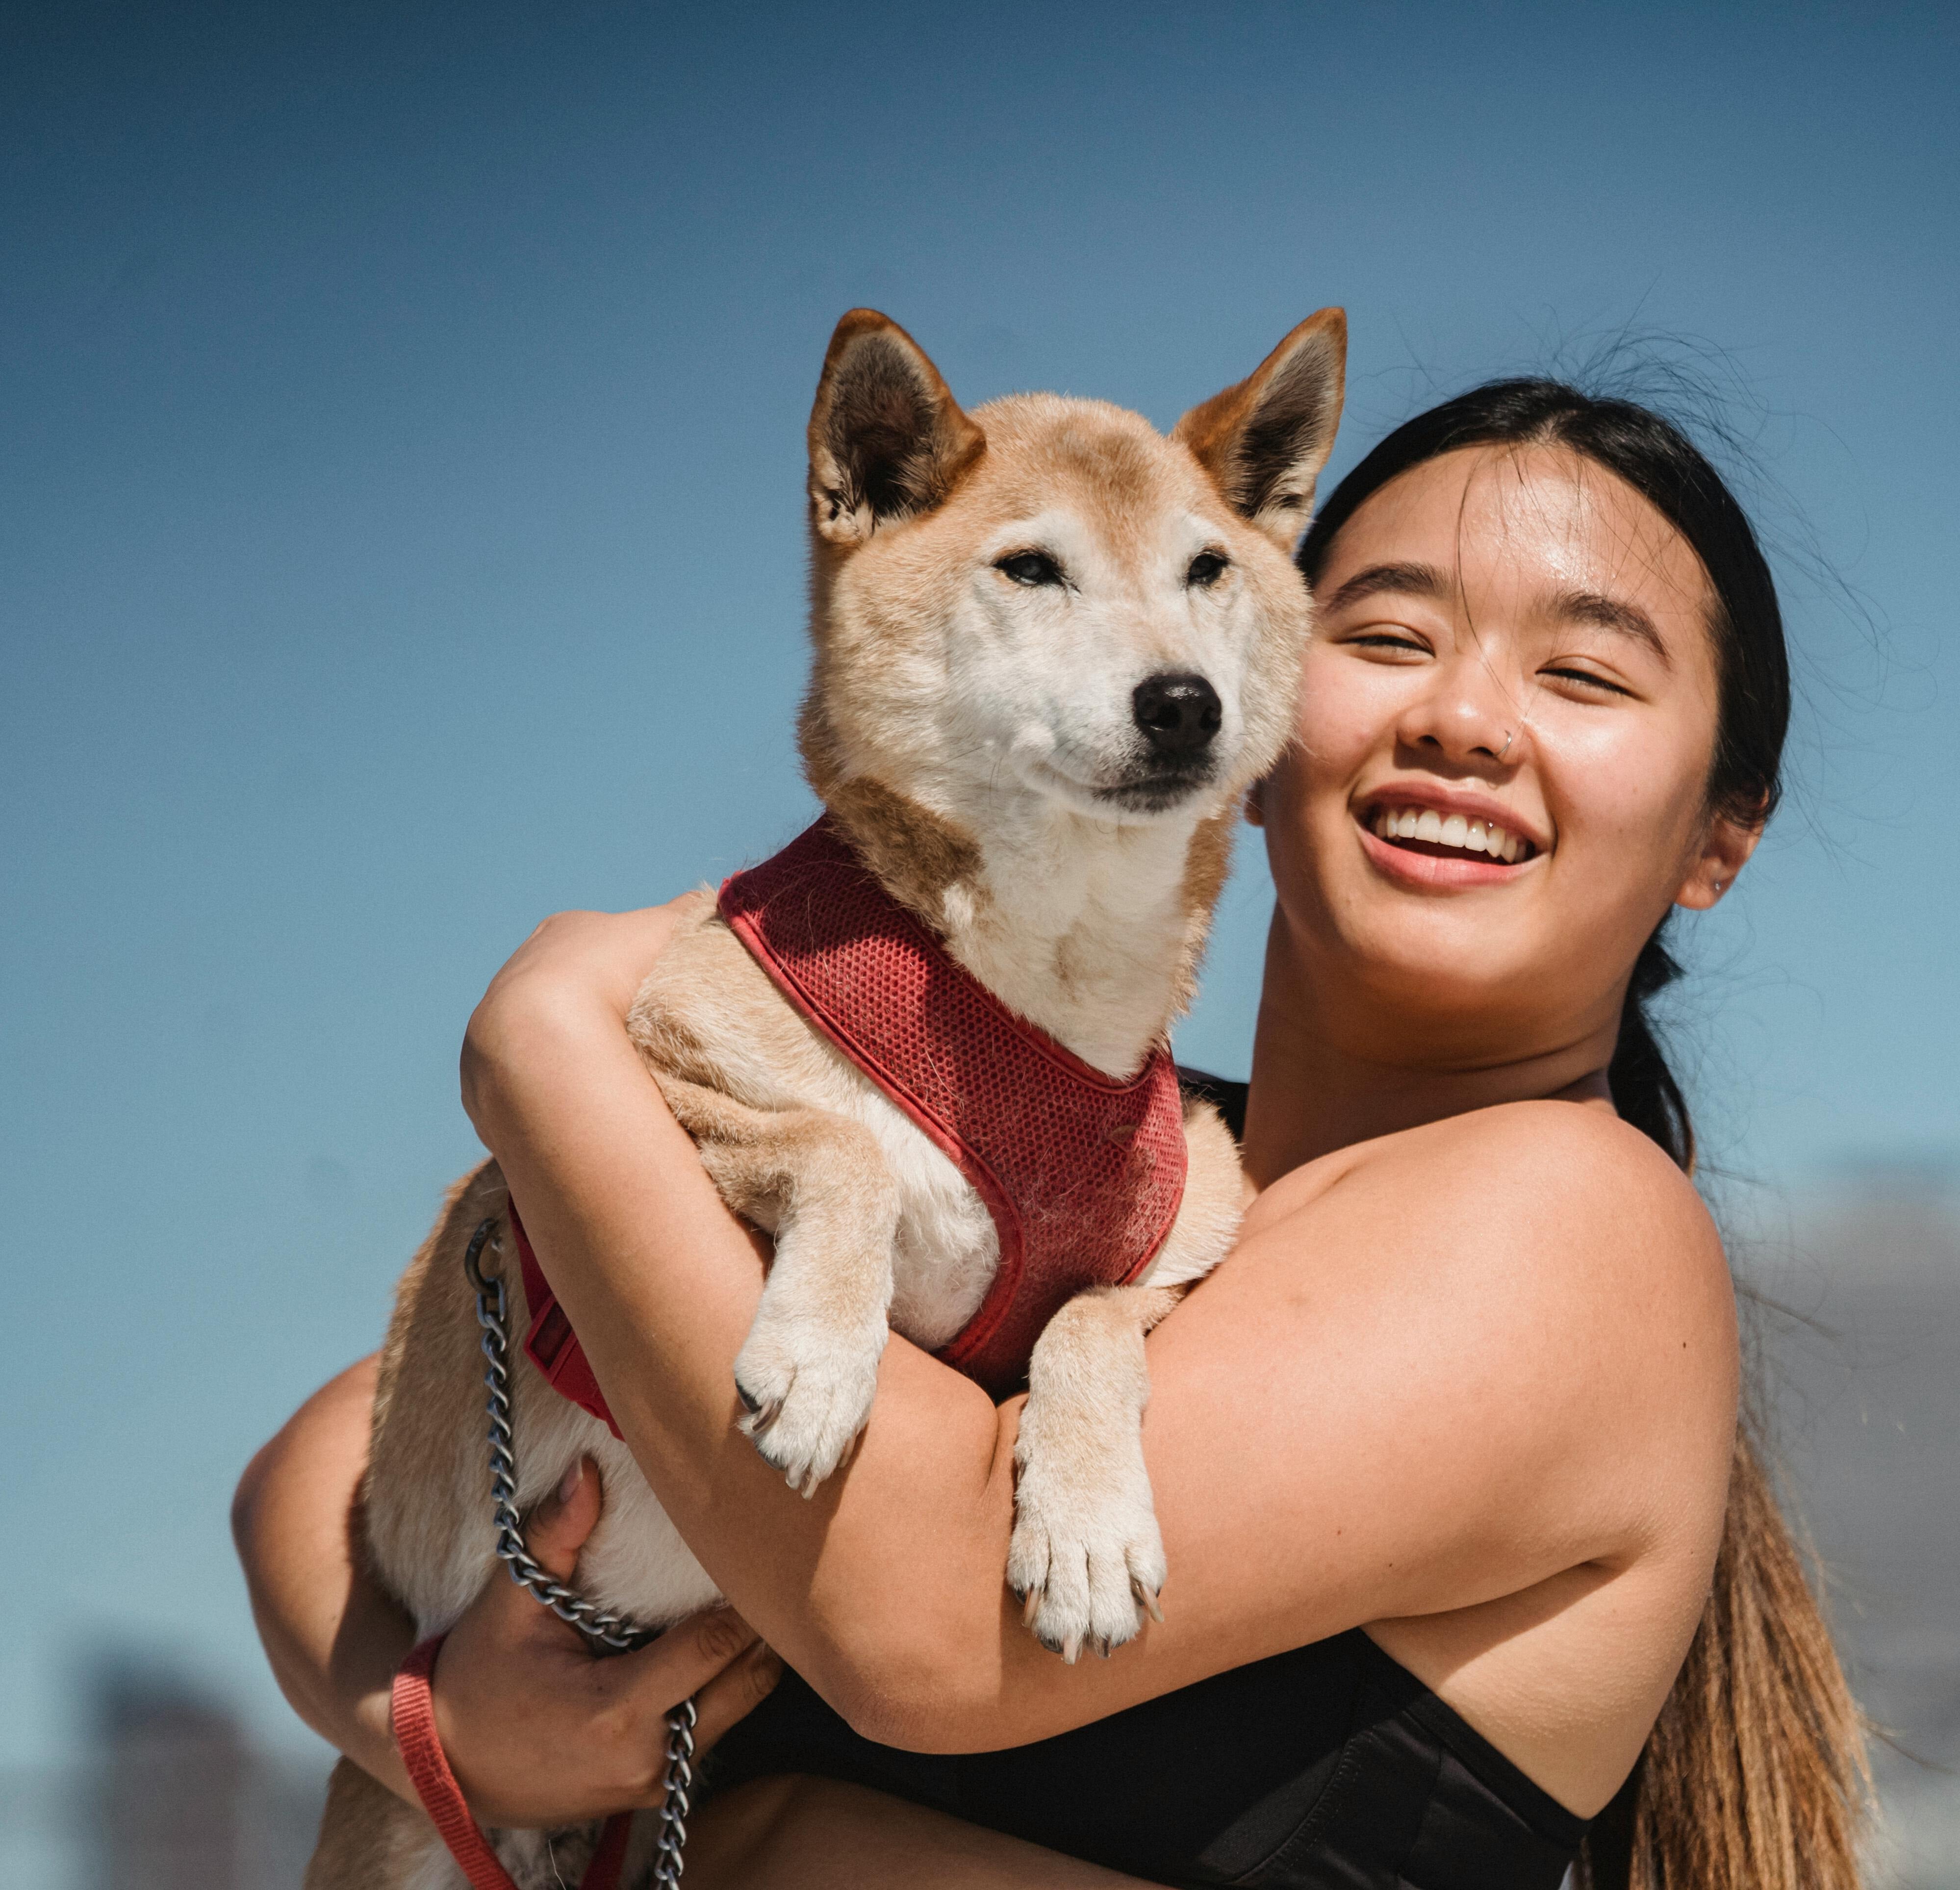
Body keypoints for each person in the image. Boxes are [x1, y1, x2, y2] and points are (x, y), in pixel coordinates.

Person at [234, 379, 1870, 1890]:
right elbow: (327, 1462)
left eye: (1582, 673)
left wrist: (543, 1049)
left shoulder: (1569, 1222)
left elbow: (929, 1622)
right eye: (1386, 638)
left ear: (1721, 838)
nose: (1465, 718)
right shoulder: (1121, 1167)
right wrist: (427, 1725)